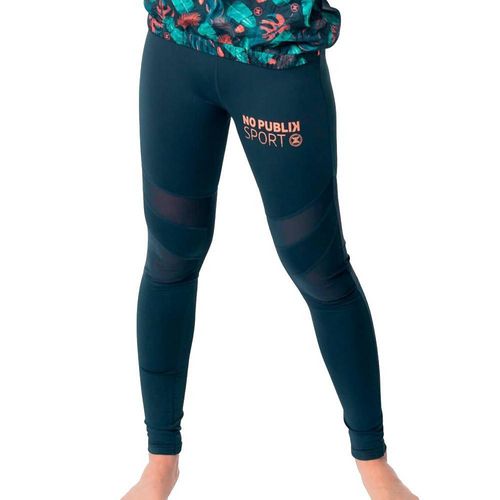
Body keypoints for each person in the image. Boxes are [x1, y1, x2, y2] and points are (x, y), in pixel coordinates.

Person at [123, 0, 418, 498]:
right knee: (170, 255)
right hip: (174, 43)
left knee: (318, 268)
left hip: (277, 60)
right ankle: (160, 459)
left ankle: (373, 460)